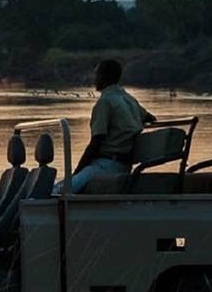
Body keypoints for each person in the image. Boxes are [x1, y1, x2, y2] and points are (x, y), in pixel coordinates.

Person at [60, 59, 156, 195]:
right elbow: (150, 117)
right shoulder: (130, 99)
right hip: (124, 165)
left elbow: (96, 142)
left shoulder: (105, 102)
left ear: (103, 77)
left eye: (96, 75)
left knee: (60, 190)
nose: (95, 79)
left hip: (106, 165)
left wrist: (77, 171)